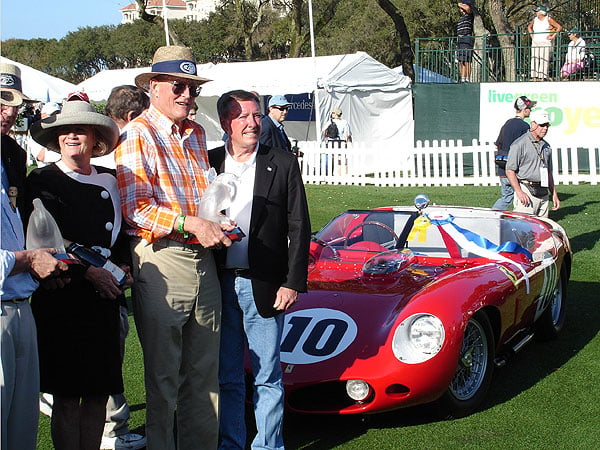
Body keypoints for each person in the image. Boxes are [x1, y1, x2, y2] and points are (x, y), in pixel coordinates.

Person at [115, 45, 234, 450]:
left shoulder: (196, 132)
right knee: (164, 378)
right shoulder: (137, 134)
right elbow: (136, 209)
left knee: (204, 375)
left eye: (192, 88)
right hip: (162, 260)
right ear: (154, 88)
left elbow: (202, 195)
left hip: (202, 258)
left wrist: (216, 220)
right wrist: (189, 223)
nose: (187, 95)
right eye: (178, 86)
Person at [26, 99, 131, 450]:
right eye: (66, 131)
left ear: (95, 138)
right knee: (68, 398)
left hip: (104, 299)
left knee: (100, 394)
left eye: (80, 130)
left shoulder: (111, 179)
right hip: (64, 296)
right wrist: (91, 271)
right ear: (56, 139)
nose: (72, 136)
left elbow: (120, 236)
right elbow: (48, 238)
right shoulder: (41, 179)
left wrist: (123, 268)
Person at [209, 90, 311, 449]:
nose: (253, 123)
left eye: (256, 115)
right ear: (226, 123)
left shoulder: (281, 162)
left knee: (267, 375)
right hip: (217, 284)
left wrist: (293, 281)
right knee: (228, 376)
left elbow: (299, 225)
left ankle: (268, 445)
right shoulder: (208, 162)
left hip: (265, 283)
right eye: (243, 117)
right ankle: (231, 443)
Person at [1, 61, 69, 450]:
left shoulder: (10, 152)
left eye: (14, 104)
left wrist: (41, 262)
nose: (9, 112)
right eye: (1, 102)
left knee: (21, 426)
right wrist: (26, 260)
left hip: (21, 303)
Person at [505, 109, 560, 217]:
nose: (545, 128)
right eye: (542, 125)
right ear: (533, 124)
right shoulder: (519, 144)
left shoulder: (546, 146)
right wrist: (519, 192)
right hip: (526, 191)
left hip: (543, 192)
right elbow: (510, 170)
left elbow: (548, 173)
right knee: (524, 230)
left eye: (547, 125)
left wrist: (554, 194)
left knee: (541, 230)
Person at [492, 95, 537, 210]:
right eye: (529, 108)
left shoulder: (507, 124)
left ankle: (494, 215)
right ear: (524, 109)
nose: (530, 110)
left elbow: (498, 144)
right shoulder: (524, 126)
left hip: (503, 167)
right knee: (524, 195)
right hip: (515, 170)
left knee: (507, 197)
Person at [528, 5, 562, 81]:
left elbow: (559, 27)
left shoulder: (548, 19)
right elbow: (529, 27)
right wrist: (532, 35)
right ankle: (534, 77)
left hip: (545, 42)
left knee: (544, 59)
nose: (536, 13)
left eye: (537, 11)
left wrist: (552, 36)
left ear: (541, 12)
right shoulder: (535, 19)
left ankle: (542, 77)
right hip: (535, 42)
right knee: (534, 58)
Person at [28, 102, 62, 168]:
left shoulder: (63, 132)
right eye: (52, 115)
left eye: (58, 114)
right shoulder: (36, 134)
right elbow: (41, 156)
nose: (56, 117)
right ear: (43, 115)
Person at [456, 1, 475, 83]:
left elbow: (468, 8)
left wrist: (460, 3)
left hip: (467, 38)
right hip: (460, 40)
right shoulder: (461, 18)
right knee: (461, 60)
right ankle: (462, 78)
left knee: (467, 60)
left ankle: (467, 78)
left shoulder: (469, 15)